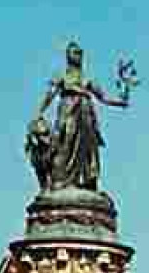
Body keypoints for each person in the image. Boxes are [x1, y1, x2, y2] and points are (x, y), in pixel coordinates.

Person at [31, 42, 132, 191]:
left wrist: (121, 101)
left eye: (79, 53)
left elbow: (103, 98)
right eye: (74, 53)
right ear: (68, 57)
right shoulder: (62, 76)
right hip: (68, 111)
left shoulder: (86, 80)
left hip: (85, 115)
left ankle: (85, 179)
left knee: (87, 147)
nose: (78, 56)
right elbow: (50, 95)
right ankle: (62, 179)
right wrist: (39, 112)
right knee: (66, 141)